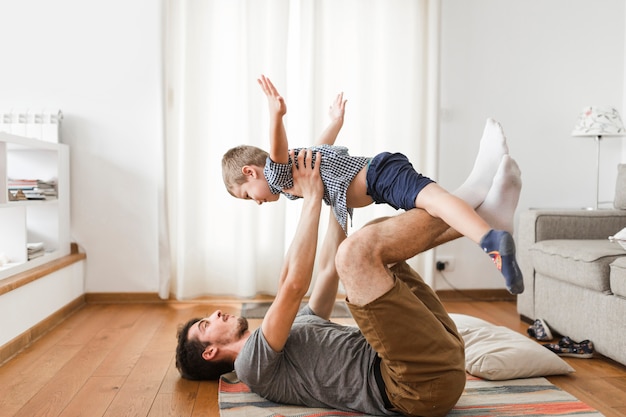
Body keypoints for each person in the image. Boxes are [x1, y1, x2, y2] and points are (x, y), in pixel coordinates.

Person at [177, 134, 523, 416]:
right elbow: (294, 284)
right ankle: (474, 196)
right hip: (415, 387)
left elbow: (328, 268)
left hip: (433, 353)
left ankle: (488, 221)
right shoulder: (253, 364)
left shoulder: (295, 326)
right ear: (210, 353)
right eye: (206, 325)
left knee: (369, 244)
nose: (216, 314)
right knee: (357, 253)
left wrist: (331, 194)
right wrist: (311, 198)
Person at [221, 75, 523, 295]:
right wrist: (335, 123)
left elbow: (275, 152)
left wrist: (276, 117)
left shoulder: (276, 175)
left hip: (378, 174)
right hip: (378, 184)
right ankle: (490, 216)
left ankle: (491, 239)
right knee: (428, 211)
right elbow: (319, 148)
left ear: (251, 172)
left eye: (248, 196)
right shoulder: (292, 181)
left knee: (434, 202)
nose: (257, 202)